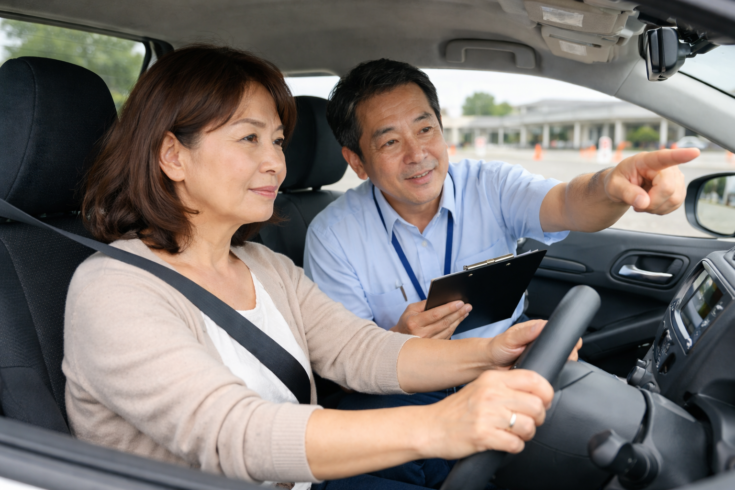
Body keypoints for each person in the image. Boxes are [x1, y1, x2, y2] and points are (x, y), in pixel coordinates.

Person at [62, 45, 567, 490]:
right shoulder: (114, 290)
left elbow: (362, 350)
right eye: (249, 138)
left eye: (277, 141)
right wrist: (440, 425)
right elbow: (234, 434)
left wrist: (494, 353)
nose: (275, 163)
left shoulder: (266, 266)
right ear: (173, 156)